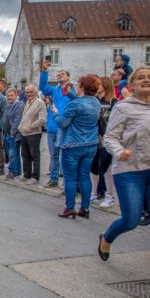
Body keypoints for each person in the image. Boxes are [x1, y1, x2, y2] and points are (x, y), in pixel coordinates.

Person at [99, 67, 150, 296]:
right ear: (131, 84)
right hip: (130, 170)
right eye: (140, 77)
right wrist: (119, 151)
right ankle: (107, 237)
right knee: (131, 220)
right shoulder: (123, 107)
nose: (146, 80)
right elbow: (110, 137)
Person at [51, 75, 101, 219]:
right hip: (90, 144)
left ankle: (70, 207)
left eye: (78, 85)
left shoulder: (75, 105)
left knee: (70, 178)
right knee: (85, 176)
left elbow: (62, 122)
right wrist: (69, 92)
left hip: (72, 144)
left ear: (83, 87)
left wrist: (55, 113)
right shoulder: (95, 102)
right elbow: (81, 103)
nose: (76, 86)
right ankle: (85, 208)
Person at [40, 59, 76, 188]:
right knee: (53, 156)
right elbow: (43, 87)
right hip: (52, 127)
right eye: (58, 75)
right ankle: (53, 179)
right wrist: (44, 70)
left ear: (68, 77)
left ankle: (67, 182)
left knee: (65, 157)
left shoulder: (73, 92)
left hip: (66, 128)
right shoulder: (54, 90)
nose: (60, 76)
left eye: (63, 74)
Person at [91, 77, 117, 208]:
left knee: (106, 166)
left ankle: (110, 195)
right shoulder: (95, 101)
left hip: (107, 138)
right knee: (93, 165)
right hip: (95, 138)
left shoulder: (113, 101)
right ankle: (94, 192)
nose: (97, 86)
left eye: (99, 84)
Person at [17, 84, 47, 184]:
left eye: (31, 92)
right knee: (25, 155)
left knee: (34, 156)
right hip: (24, 133)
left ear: (35, 92)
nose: (29, 94)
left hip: (34, 133)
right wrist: (21, 127)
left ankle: (35, 177)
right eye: (27, 92)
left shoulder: (40, 103)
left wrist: (30, 127)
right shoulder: (27, 101)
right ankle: (26, 174)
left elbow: (42, 120)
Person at [0, 88, 24, 180]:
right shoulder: (8, 105)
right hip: (7, 134)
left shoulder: (18, 105)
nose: (10, 97)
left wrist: (13, 133)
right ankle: (13, 171)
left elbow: (17, 120)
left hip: (13, 135)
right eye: (8, 96)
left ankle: (14, 172)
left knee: (13, 154)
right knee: (11, 154)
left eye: (12, 95)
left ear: (16, 96)